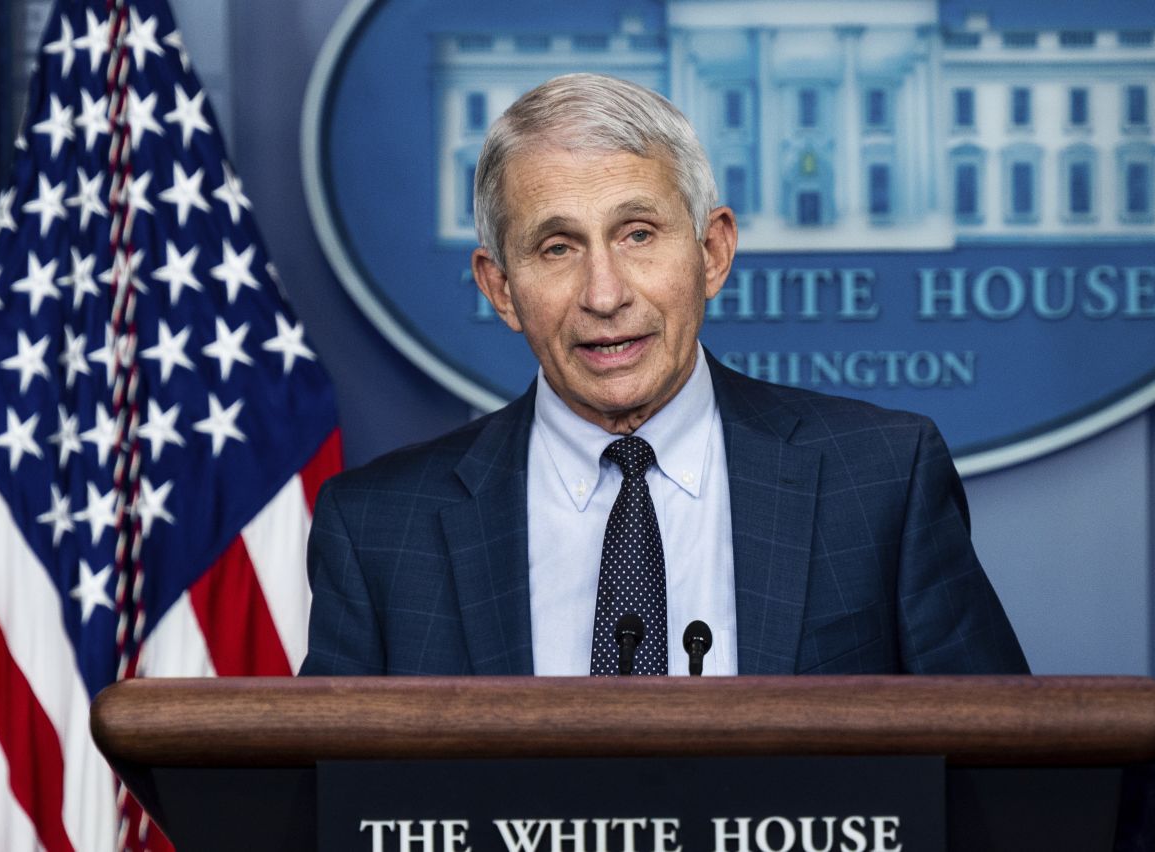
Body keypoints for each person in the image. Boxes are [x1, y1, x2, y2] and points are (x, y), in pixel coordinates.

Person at [299, 73, 1027, 678]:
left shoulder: (879, 481)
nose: (605, 294)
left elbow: (1003, 775)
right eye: (557, 248)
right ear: (500, 288)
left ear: (712, 252)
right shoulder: (378, 530)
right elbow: (321, 813)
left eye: (638, 234)